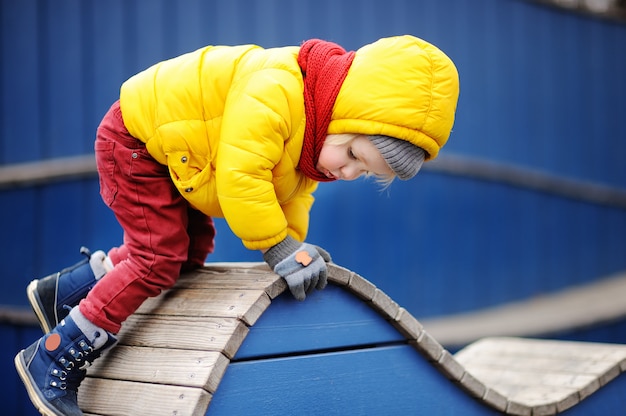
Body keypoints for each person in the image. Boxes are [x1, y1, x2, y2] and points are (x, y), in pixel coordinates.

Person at [15, 34, 459, 415]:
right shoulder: (279, 90)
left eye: (363, 173)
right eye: (354, 157)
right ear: (344, 114)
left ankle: (69, 290)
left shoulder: (316, 134)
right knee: (157, 260)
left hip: (179, 152)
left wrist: (293, 248)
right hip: (136, 143)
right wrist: (278, 248)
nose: (347, 173)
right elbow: (240, 176)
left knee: (187, 256)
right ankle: (55, 354)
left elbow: (292, 196)